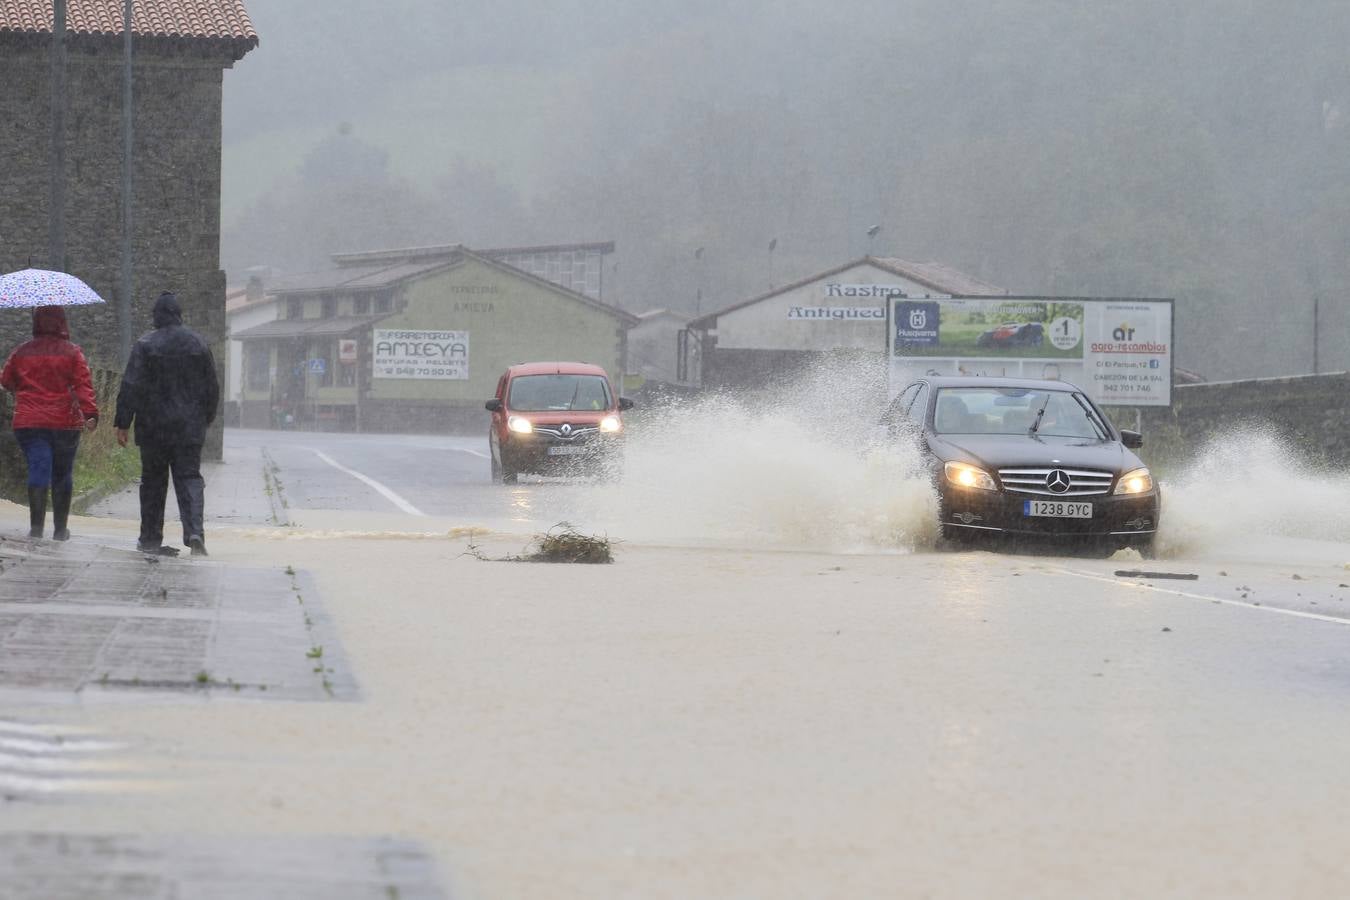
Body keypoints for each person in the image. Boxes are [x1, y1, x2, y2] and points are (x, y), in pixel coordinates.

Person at [114, 292, 220, 556]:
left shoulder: (145, 345)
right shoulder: (198, 344)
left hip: (153, 428)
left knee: (153, 482)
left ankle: (150, 538)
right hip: (189, 428)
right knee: (190, 478)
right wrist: (206, 417)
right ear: (179, 314)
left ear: (156, 317)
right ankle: (195, 532)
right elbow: (212, 387)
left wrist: (122, 422)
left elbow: (131, 385)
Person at [0, 306, 99, 540]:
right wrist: (90, 414)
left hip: (29, 421)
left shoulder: (21, 352)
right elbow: (83, 385)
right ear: (62, 323)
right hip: (64, 422)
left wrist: (23, 390)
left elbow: (5, 380)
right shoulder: (73, 353)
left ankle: (36, 528)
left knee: (38, 467)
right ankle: (60, 529)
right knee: (63, 473)